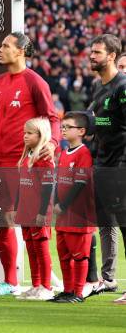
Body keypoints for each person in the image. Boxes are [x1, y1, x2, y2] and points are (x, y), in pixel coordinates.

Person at [0, 32, 60, 296]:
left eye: (5, 46)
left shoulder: (35, 82)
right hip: (0, 162)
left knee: (34, 225)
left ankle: (43, 281)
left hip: (25, 164)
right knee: (3, 221)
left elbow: (52, 117)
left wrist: (53, 143)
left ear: (20, 51)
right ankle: (10, 282)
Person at [86, 34, 126, 304]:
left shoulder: (122, 87)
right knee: (105, 224)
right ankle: (107, 278)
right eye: (92, 51)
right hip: (101, 165)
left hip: (120, 166)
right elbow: (97, 127)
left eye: (97, 52)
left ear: (112, 56)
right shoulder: (97, 87)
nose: (92, 56)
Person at [50, 112, 95, 303]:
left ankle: (78, 293)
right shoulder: (63, 153)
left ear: (81, 131)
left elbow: (80, 183)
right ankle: (67, 290)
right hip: (63, 216)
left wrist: (63, 205)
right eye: (63, 127)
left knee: (79, 256)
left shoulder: (84, 153)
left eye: (68, 127)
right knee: (64, 254)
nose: (64, 130)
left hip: (78, 214)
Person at [14, 118, 55, 301]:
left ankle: (47, 287)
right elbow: (20, 186)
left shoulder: (44, 158)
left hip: (39, 213)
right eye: (24, 132)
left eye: (29, 133)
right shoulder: (26, 156)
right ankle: (36, 285)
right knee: (31, 249)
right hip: (25, 211)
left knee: (41, 249)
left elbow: (47, 188)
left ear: (41, 135)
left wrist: (41, 212)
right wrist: (16, 207)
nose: (25, 136)